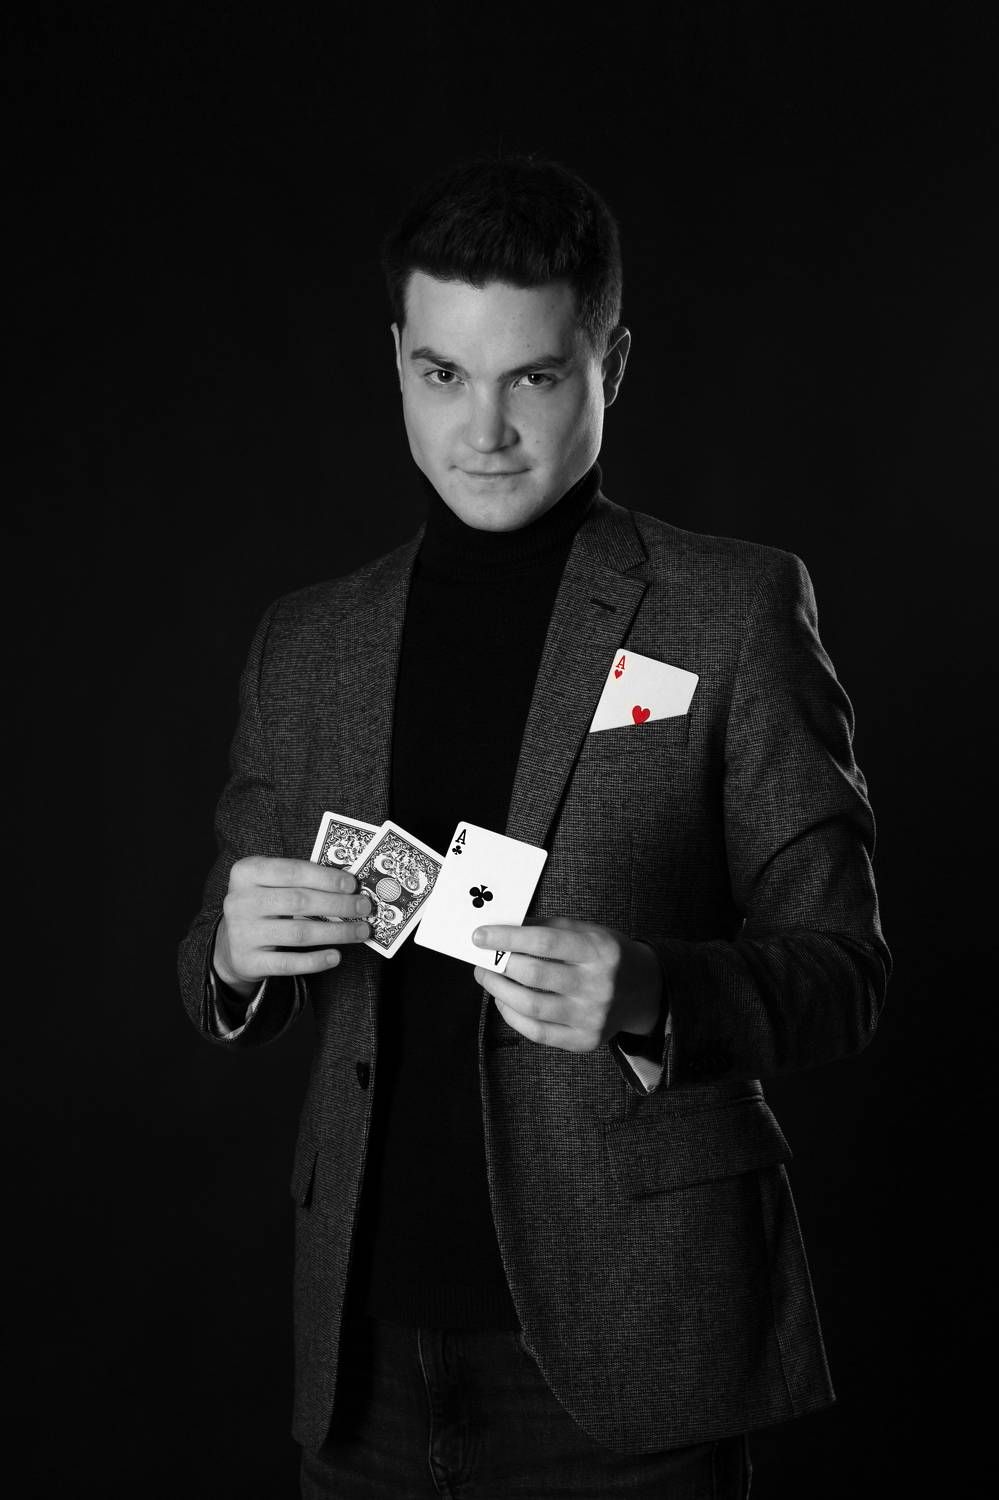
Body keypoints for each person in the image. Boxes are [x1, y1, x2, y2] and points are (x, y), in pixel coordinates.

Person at [178, 155, 890, 1499]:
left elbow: (848, 970)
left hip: (632, 1347)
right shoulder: (308, 643)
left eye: (535, 378)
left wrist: (657, 993)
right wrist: (229, 954)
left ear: (610, 365)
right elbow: (211, 957)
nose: (485, 429)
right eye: (444, 374)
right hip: (364, 1358)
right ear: (398, 362)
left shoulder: (730, 610)